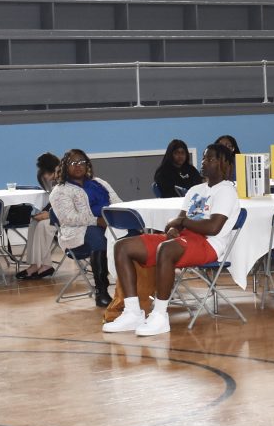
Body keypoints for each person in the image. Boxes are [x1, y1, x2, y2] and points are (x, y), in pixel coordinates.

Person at [103, 144, 240, 336]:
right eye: (203, 158)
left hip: (209, 243)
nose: (203, 162)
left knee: (166, 249)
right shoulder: (195, 190)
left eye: (210, 159)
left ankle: (160, 316)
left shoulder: (226, 191)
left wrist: (181, 222)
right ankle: (133, 312)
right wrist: (175, 227)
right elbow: (178, 221)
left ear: (224, 164)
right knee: (123, 246)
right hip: (183, 239)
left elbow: (213, 227)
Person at [49, 149, 121, 307]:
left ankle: (134, 289)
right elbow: (68, 218)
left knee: (134, 236)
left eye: (82, 162)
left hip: (109, 224)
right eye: (73, 163)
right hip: (78, 234)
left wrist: (119, 216)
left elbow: (117, 202)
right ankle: (101, 292)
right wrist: (97, 221)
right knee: (98, 237)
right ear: (65, 166)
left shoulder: (99, 183)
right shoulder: (60, 191)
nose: (78, 166)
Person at [16, 152, 60, 280]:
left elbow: (68, 205)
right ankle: (35, 264)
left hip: (68, 217)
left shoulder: (68, 180)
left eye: (48, 173)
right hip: (56, 213)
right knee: (34, 223)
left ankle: (45, 265)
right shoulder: (48, 178)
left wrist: (49, 214)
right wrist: (43, 212)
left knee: (44, 225)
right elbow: (53, 200)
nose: (47, 177)